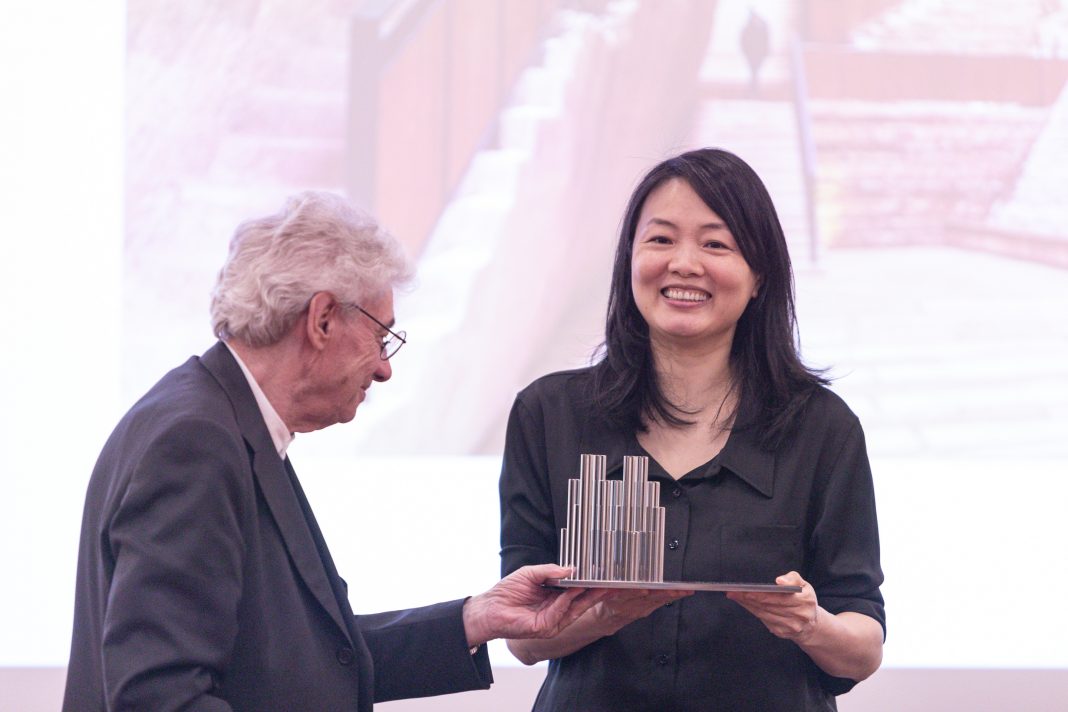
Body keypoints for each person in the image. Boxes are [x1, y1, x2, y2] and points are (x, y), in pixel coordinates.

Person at [62, 191, 612, 712]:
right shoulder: (196, 442)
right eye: (381, 336)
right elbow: (160, 697)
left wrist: (478, 617)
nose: (385, 368)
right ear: (322, 319)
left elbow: (314, 661)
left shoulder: (222, 420)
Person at [499, 148, 885, 711]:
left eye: (715, 244)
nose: (683, 264)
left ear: (759, 276)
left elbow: (863, 646)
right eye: (660, 239)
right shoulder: (548, 414)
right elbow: (524, 638)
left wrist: (809, 623)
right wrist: (604, 615)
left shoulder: (822, 428)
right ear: (629, 260)